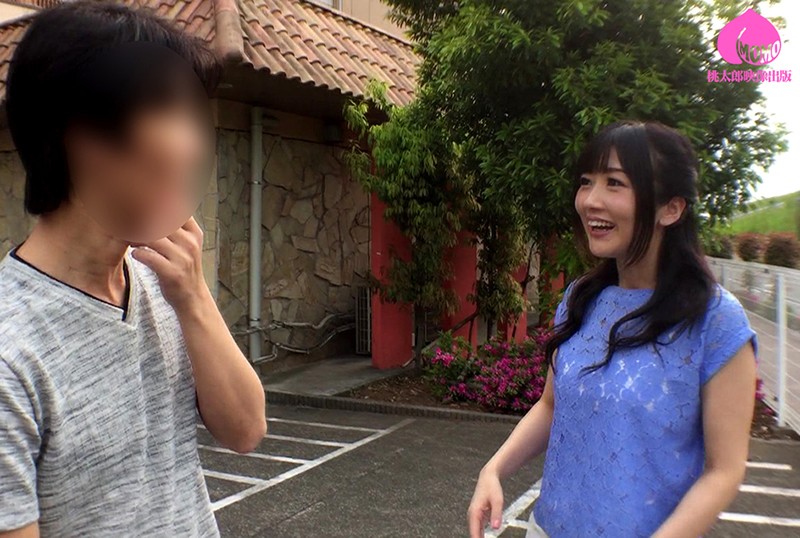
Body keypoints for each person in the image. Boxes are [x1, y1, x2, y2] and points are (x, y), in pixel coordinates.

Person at [0, 2, 266, 537]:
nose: (189, 146)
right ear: (83, 138)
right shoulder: (12, 347)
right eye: (166, 113)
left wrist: (193, 297)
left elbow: (245, 430)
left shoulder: (158, 281)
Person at [468, 121, 757, 537]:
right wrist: (493, 469)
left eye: (615, 183)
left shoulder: (716, 321)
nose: (590, 200)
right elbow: (551, 406)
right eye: (586, 182)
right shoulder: (580, 299)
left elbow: (724, 470)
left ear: (671, 209)